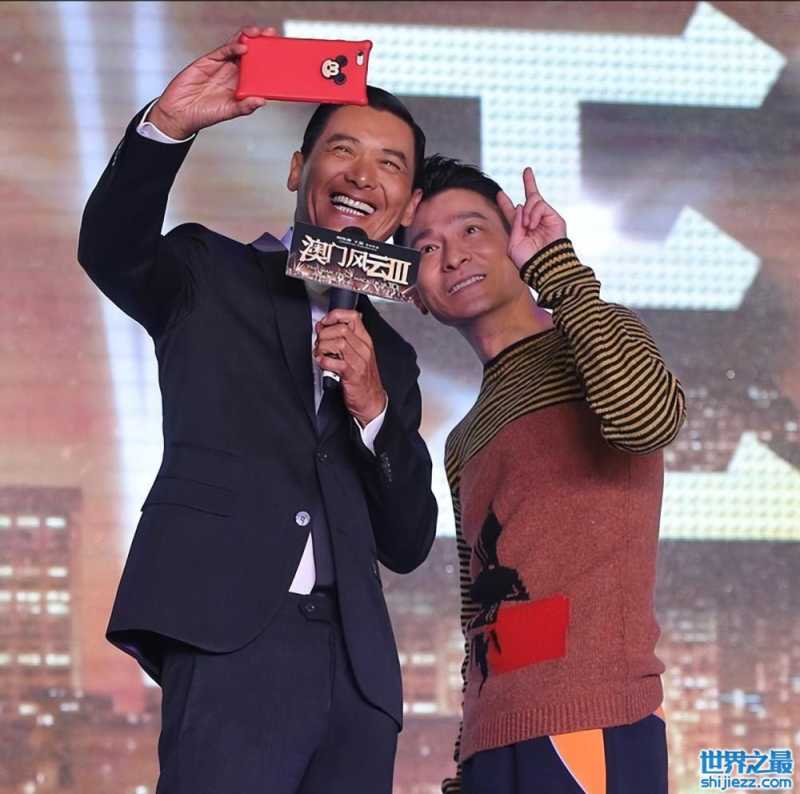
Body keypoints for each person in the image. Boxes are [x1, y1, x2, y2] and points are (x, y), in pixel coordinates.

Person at [77, 26, 437, 794]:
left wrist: (374, 408)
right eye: (343, 151)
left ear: (407, 206)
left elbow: (407, 540)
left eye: (389, 165)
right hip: (231, 639)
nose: (362, 176)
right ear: (298, 168)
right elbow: (110, 249)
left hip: (357, 674)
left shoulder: (393, 359)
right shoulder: (209, 271)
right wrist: (166, 127)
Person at [401, 156, 687, 794]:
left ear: (512, 239)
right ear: (415, 292)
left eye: (471, 230)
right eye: (427, 247)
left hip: (592, 716)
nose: (453, 256)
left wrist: (556, 268)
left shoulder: (594, 339)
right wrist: (467, 758)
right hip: (493, 743)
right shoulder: (464, 437)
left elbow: (649, 422)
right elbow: (479, 612)